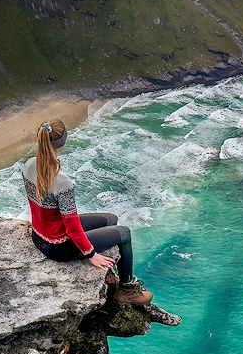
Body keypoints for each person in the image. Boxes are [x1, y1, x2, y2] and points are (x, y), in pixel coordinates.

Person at [23, 119, 152, 305]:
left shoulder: (28, 165)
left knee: (110, 219)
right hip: (59, 247)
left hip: (39, 237)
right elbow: (73, 230)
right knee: (124, 233)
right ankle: (126, 290)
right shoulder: (62, 182)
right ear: (62, 145)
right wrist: (91, 255)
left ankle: (111, 277)